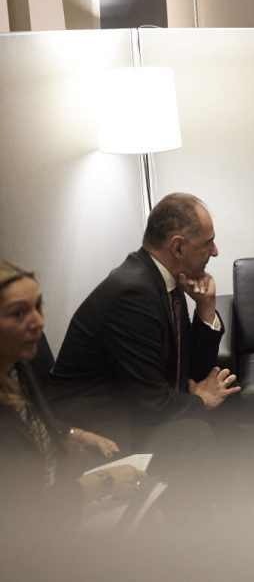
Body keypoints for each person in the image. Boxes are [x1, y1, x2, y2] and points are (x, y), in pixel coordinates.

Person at [48, 193, 239, 475]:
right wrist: (201, 399)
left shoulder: (163, 280)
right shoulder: (133, 294)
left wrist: (206, 307)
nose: (215, 251)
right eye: (207, 243)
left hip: (135, 408)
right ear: (178, 247)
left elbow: (191, 371)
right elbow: (153, 404)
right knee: (195, 431)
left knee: (224, 405)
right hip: (101, 428)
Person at [0, 260, 145, 529]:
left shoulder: (18, 365)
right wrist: (103, 482)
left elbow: (30, 426)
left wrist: (73, 435)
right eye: (18, 313)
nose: (39, 322)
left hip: (58, 502)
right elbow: (18, 510)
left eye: (38, 307)